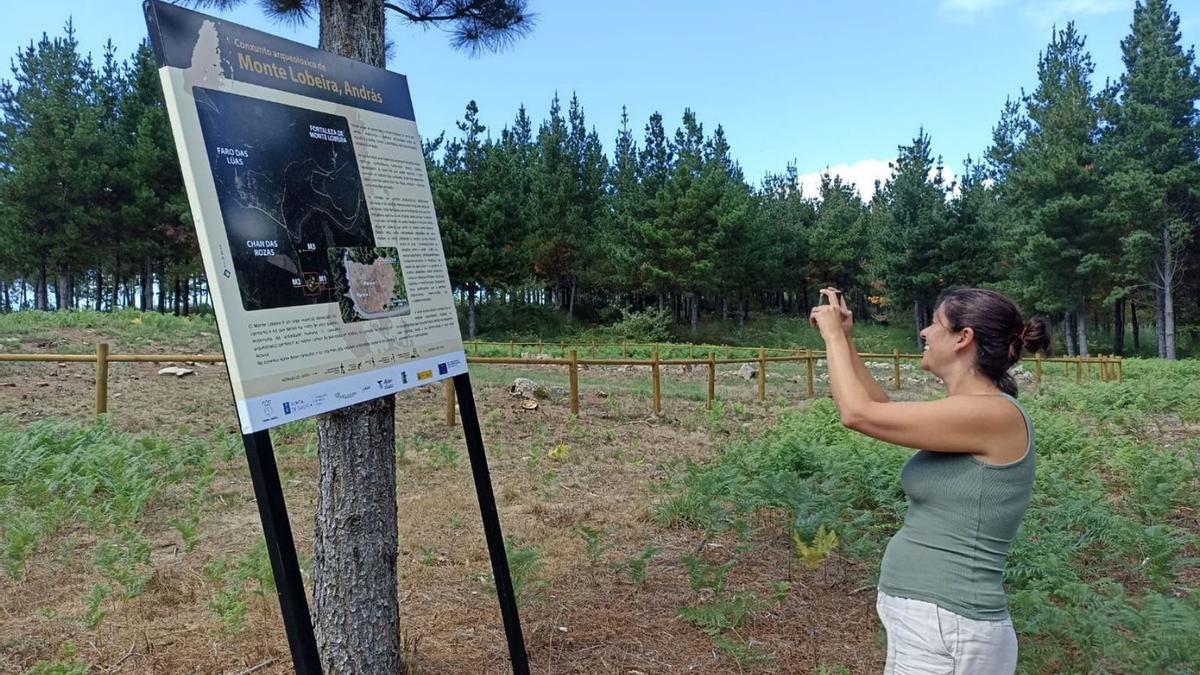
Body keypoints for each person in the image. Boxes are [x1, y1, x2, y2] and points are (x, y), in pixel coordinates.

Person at [809, 286, 1050, 675]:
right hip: (938, 628)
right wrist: (848, 342)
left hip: (949, 627)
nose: (924, 332)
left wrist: (833, 335)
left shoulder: (995, 416)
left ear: (963, 338)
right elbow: (881, 410)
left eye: (934, 324)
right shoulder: (970, 413)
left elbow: (857, 413)